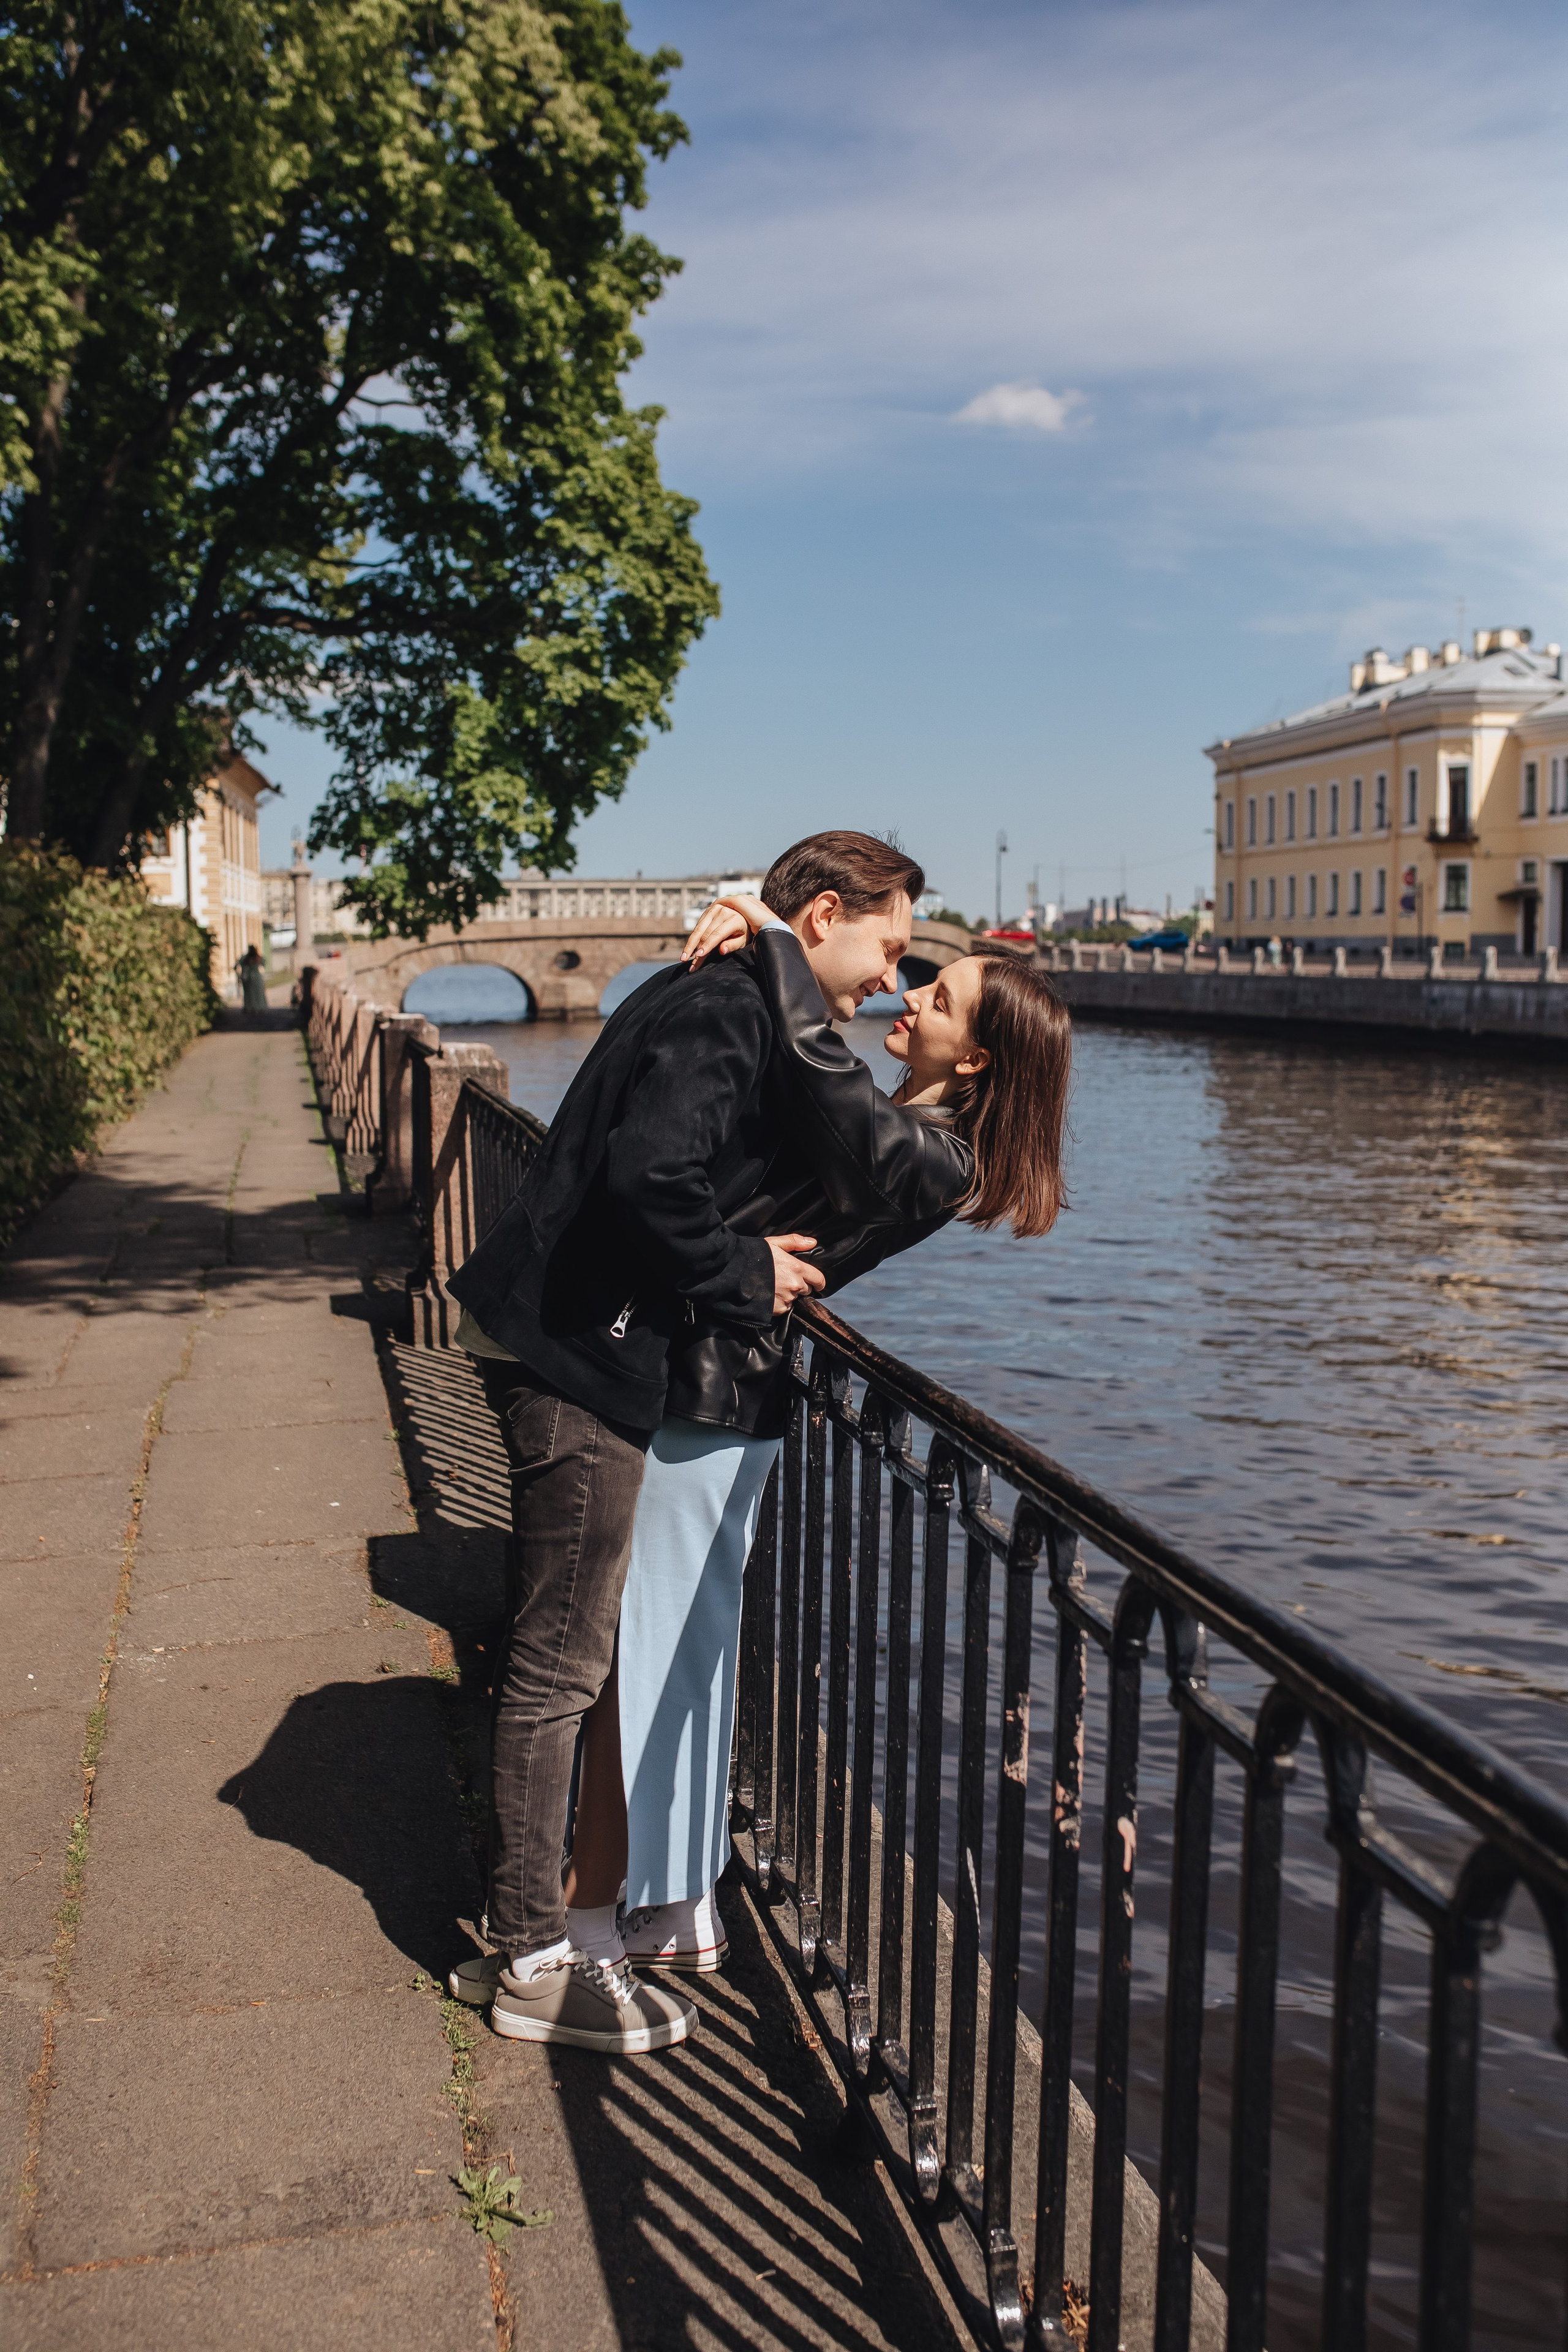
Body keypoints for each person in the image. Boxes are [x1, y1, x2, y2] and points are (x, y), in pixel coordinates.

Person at [453, 880, 1071, 1996]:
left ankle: (598, 1916)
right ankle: (673, 1900)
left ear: (979, 1058)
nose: (907, 992)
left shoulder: (940, 1158)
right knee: (664, 1656)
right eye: (913, 973)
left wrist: (775, 941)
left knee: (636, 1669)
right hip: (713, 1388)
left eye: (937, 996)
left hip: (713, 1398)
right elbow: (810, 1093)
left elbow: (821, 1079)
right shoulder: (909, 1124)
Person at [236, 942, 268, 1013]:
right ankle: (259, 1006)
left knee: (250, 994)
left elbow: (239, 964)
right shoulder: (257, 957)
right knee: (258, 993)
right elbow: (264, 963)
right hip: (257, 977)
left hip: (249, 978)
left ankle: (251, 1007)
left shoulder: (247, 958)